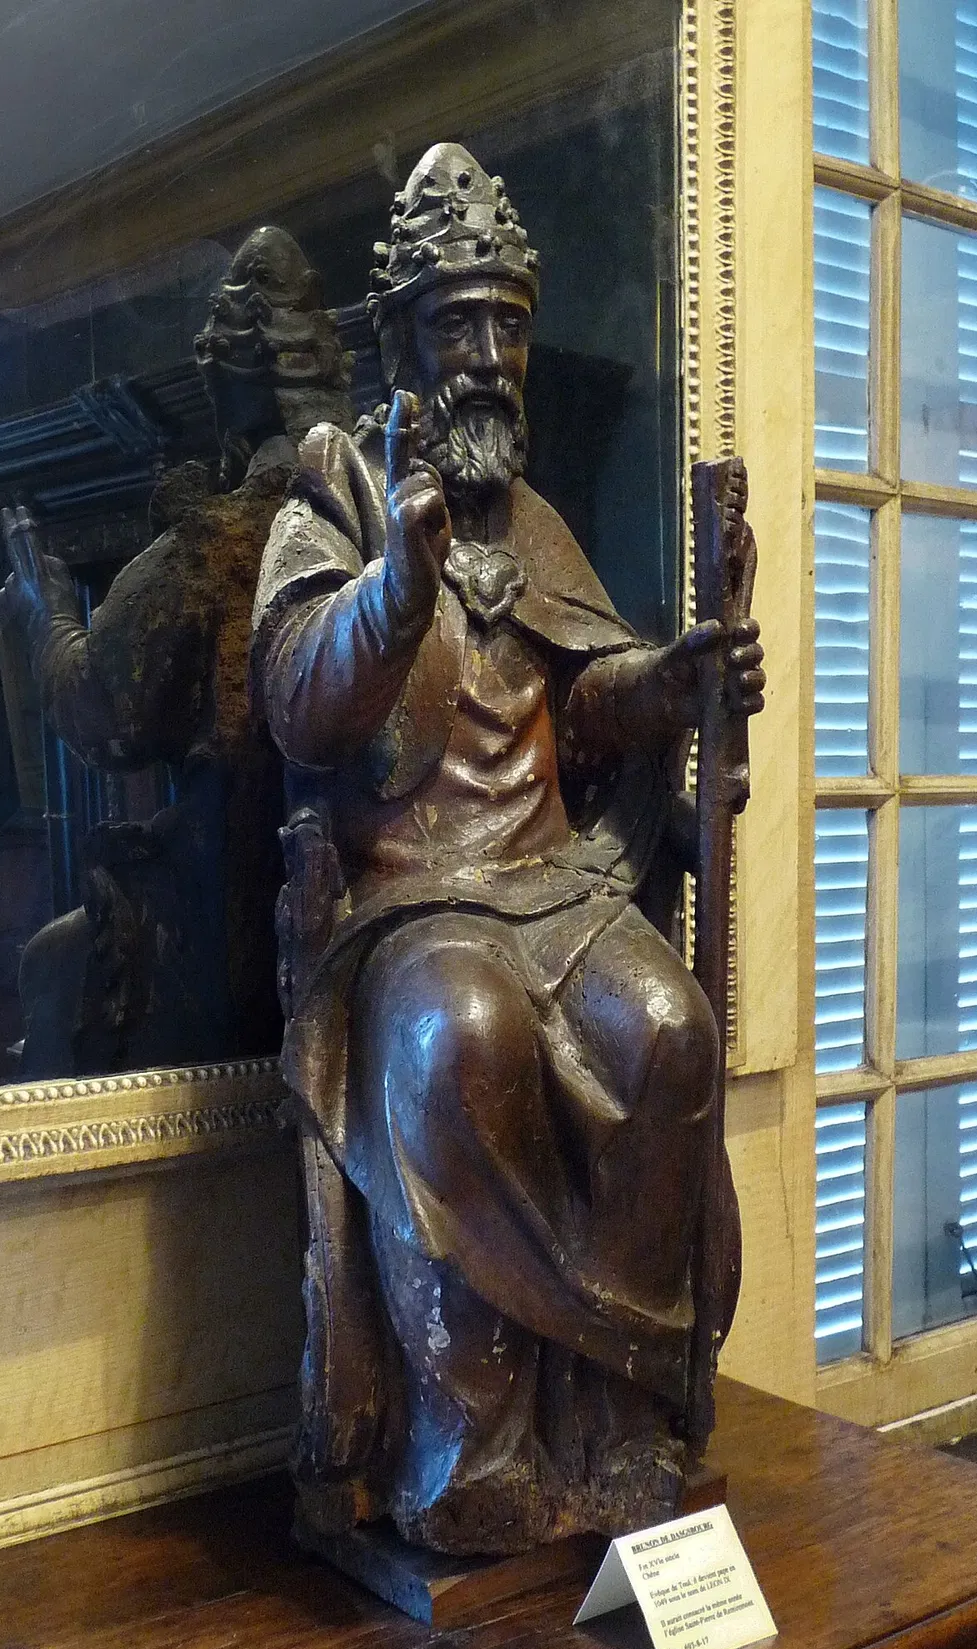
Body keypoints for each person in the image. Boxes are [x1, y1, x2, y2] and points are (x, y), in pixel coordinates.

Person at [253, 144, 765, 1554]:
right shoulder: (335, 500)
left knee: (669, 1030)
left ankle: (617, 1411)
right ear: (400, 341)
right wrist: (394, 589)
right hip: (409, 902)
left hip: (558, 888)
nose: (487, 357)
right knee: (459, 1037)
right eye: (456, 324)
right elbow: (298, 702)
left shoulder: (534, 522)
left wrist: (674, 680)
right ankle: (469, 1443)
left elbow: (579, 704)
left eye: (508, 325)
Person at [0, 227, 352, 1075]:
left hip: (236, 911)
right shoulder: (386, 516)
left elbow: (102, 714)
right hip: (356, 888)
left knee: (49, 964)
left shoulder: (215, 545)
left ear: (234, 384)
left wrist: (46, 613)